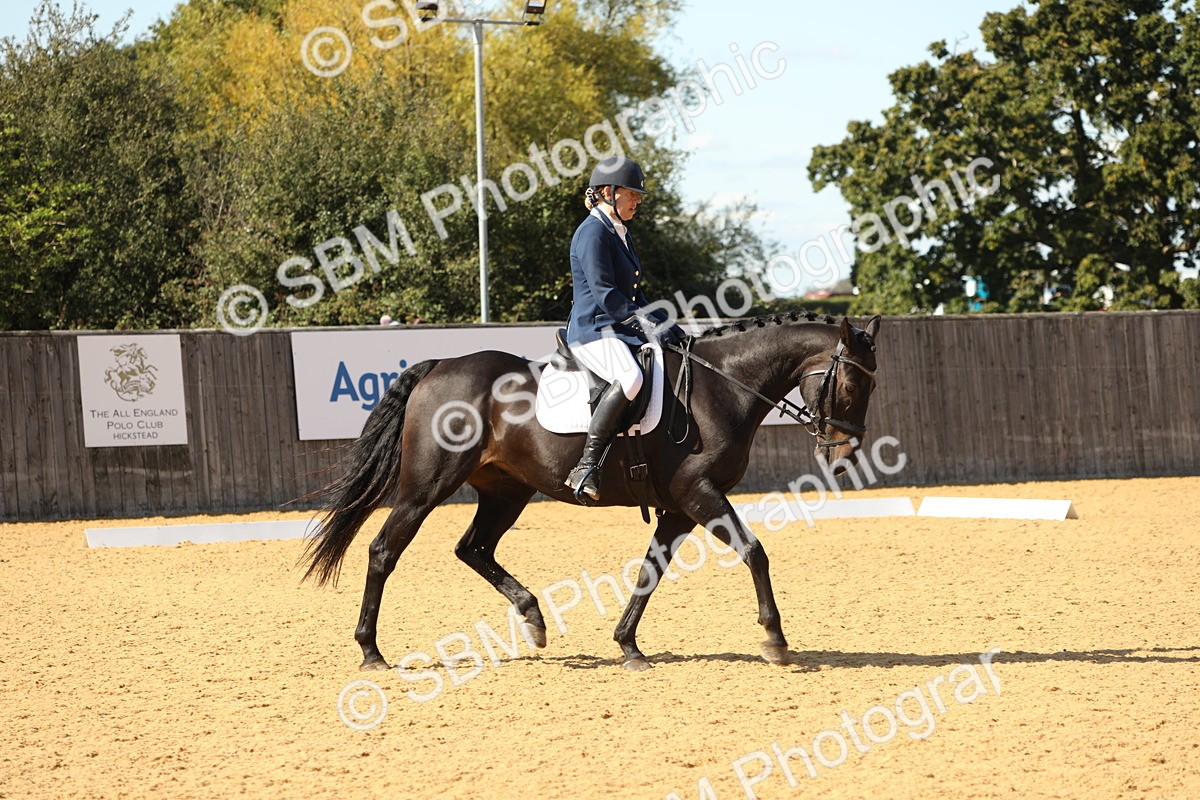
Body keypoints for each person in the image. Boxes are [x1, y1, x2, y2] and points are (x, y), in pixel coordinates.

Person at [563, 156, 686, 504]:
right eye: (632, 193)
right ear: (607, 192)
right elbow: (605, 294)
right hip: (593, 329)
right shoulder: (592, 232)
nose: (638, 200)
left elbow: (633, 292)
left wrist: (662, 320)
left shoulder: (619, 233)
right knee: (631, 378)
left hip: (615, 327)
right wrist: (644, 323)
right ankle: (586, 466)